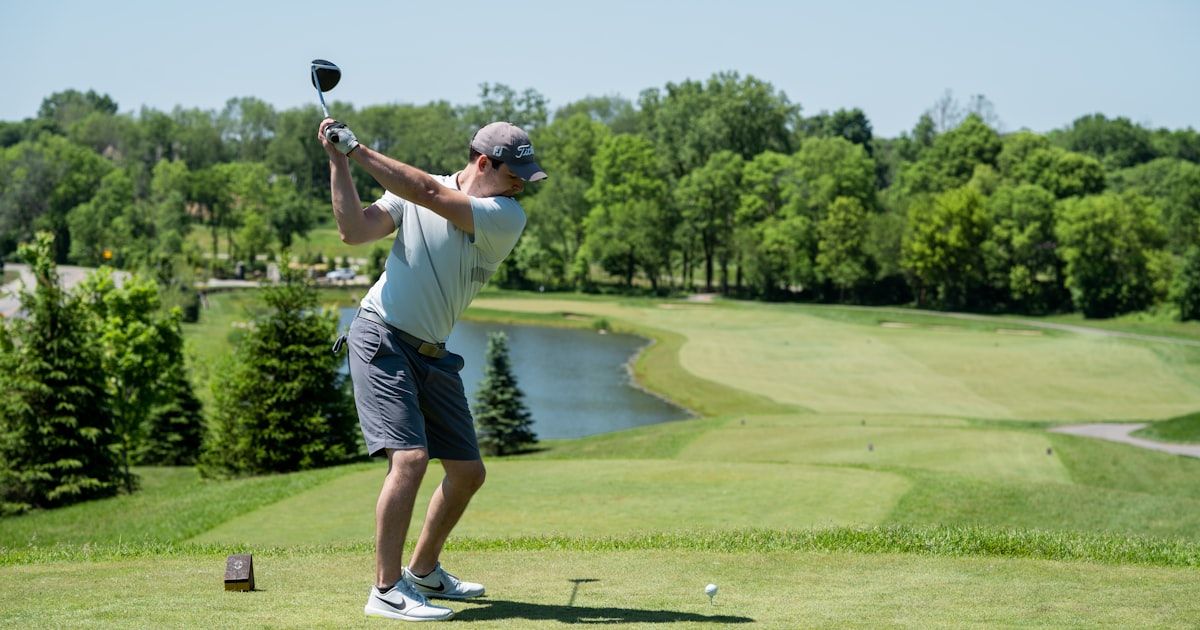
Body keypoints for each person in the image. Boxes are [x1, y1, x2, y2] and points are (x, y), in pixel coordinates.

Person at [318, 117, 546, 622]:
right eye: (516, 174)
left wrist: (356, 148)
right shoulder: (417, 192)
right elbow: (354, 231)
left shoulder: (503, 215)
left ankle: (421, 572)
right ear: (484, 163)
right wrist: (340, 162)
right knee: (411, 459)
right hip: (381, 333)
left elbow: (425, 191)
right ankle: (385, 589)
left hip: (433, 352)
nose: (522, 185)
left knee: (467, 472)